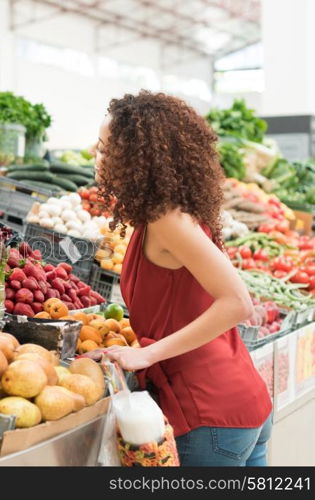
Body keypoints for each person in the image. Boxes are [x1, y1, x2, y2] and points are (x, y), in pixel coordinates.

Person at [90, 91, 272, 466]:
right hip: (235, 404)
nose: (96, 157)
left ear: (139, 159)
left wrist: (146, 354)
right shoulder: (166, 213)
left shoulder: (167, 219)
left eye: (105, 150)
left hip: (207, 416)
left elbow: (238, 303)